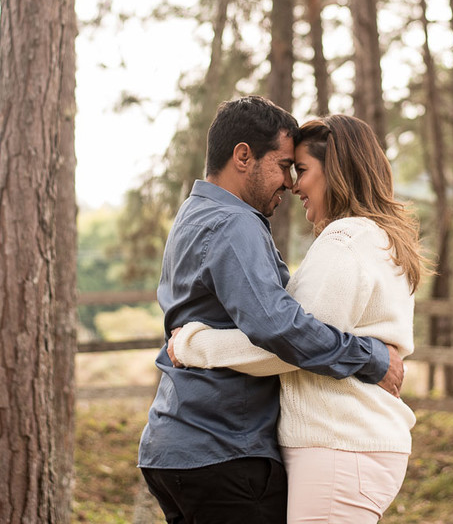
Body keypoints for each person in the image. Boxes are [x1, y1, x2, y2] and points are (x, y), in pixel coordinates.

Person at [138, 97, 405, 524]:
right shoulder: (235, 223)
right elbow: (280, 328)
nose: (288, 182)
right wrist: (372, 357)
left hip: (174, 443)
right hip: (225, 446)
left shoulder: (193, 214)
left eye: (297, 170)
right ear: (243, 156)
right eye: (284, 166)